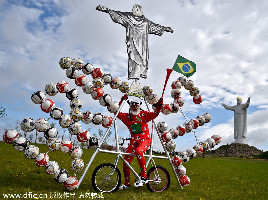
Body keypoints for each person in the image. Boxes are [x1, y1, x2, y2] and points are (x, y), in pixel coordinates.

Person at [96, 4, 173, 79]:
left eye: (137, 8)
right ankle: (134, 75)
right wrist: (107, 10)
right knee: (133, 57)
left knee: (143, 58)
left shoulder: (145, 21)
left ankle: (141, 74)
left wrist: (165, 28)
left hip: (142, 43)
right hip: (133, 41)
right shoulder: (128, 17)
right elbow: (118, 15)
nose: (135, 10)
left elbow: (155, 26)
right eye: (134, 8)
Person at [117, 94, 163, 189]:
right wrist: (122, 101)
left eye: (136, 105)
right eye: (132, 105)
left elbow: (155, 114)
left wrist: (158, 107)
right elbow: (116, 112)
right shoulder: (127, 117)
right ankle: (127, 183)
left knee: (139, 151)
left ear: (139, 106)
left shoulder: (144, 114)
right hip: (133, 142)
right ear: (129, 106)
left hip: (144, 140)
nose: (134, 106)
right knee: (126, 161)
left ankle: (144, 177)